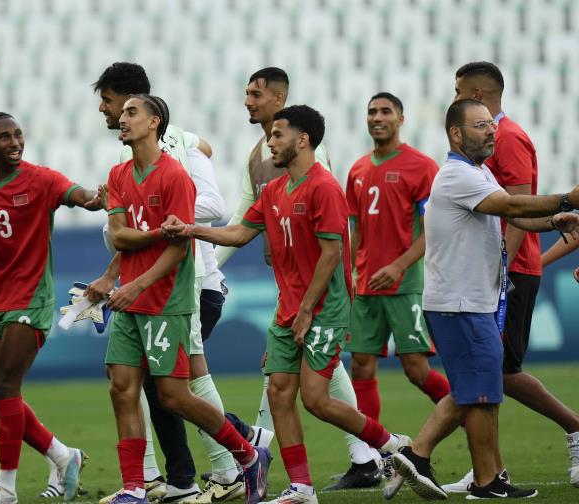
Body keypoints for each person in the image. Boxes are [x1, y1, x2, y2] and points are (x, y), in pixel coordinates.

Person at [165, 105, 412, 504]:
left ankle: (391, 446)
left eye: (277, 135)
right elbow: (240, 233)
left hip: (323, 308)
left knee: (315, 399)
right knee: (280, 393)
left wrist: (308, 309)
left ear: (302, 140)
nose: (270, 142)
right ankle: (301, 488)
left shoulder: (324, 186)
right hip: (289, 308)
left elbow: (332, 254)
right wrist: (192, 228)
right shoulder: (276, 190)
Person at [87, 62, 267, 504]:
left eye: (130, 112)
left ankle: (245, 454)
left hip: (168, 298)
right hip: (131, 297)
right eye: (120, 112)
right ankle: (136, 487)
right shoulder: (118, 175)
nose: (119, 119)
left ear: (154, 122)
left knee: (173, 394)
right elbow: (121, 235)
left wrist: (138, 276)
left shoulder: (175, 174)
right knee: (122, 385)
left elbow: (181, 246)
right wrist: (140, 250)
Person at [391, 98, 579, 500]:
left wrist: (553, 221)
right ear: (456, 134)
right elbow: (509, 204)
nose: (491, 131)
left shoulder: (476, 173)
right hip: (460, 303)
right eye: (480, 126)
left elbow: (512, 216)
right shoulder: (458, 175)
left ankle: (475, 474)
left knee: (480, 392)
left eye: (491, 125)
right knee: (476, 392)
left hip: (469, 301)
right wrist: (568, 199)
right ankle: (443, 464)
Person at [214, 67, 382, 491]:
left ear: (278, 98)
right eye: (246, 93)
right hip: (291, 290)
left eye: (255, 94)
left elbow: (326, 236)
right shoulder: (262, 156)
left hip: (318, 295)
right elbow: (243, 221)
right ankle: (344, 463)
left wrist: (310, 302)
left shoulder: (308, 158)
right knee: (287, 386)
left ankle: (377, 449)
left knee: (309, 390)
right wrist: (208, 259)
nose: (248, 101)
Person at [0, 112, 102, 504]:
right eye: (4, 137)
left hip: (31, 299)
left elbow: (77, 194)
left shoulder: (40, 178)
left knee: (7, 388)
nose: (14, 142)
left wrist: (96, 199)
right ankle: (63, 455)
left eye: (18, 135)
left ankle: (5, 488)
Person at [440, 61, 579, 492]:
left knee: (495, 371)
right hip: (501, 268)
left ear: (477, 96)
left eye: (459, 90)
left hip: (507, 270)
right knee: (489, 372)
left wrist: (501, 274)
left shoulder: (510, 138)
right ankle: (489, 469)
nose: (454, 97)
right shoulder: (488, 143)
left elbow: (516, 210)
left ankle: (573, 430)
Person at [344, 92, 451, 497]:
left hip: (405, 284)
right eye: (371, 111)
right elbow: (353, 231)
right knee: (362, 368)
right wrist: (353, 274)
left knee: (416, 370)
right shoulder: (356, 170)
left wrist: (400, 265)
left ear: (401, 118)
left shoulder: (421, 166)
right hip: (366, 286)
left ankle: (461, 408)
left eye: (385, 111)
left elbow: (432, 230)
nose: (376, 117)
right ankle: (380, 456)